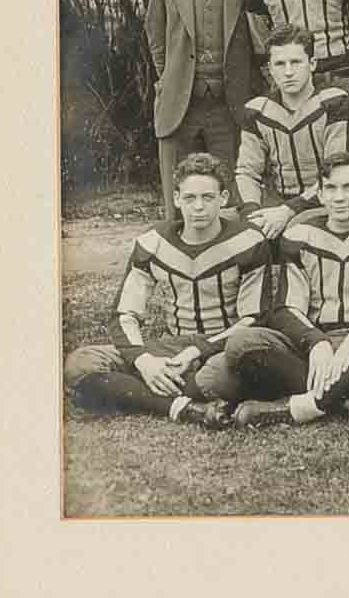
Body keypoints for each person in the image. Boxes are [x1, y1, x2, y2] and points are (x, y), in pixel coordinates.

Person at [62, 153, 271, 428]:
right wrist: (144, 361)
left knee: (218, 378)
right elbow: (124, 314)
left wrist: (197, 351)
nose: (198, 207)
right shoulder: (153, 243)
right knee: (81, 363)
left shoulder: (249, 241)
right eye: (189, 198)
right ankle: (180, 403)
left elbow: (254, 319)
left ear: (223, 199)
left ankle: (146, 395)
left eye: (208, 198)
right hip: (172, 344)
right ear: (176, 199)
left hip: (221, 347)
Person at [225, 154, 349, 428]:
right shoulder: (299, 236)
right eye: (330, 188)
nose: (339, 197)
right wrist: (315, 341)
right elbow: (286, 308)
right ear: (319, 193)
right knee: (242, 343)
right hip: (320, 344)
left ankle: (307, 405)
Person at [144, 0, 258, 214]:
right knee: (180, 201)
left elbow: (258, 44)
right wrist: (171, 79)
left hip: (230, 107)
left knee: (231, 199)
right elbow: (156, 39)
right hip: (180, 107)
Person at [235, 24, 349, 239]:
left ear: (312, 63)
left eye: (296, 62)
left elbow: (337, 173)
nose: (288, 72)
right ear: (270, 68)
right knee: (227, 228)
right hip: (278, 201)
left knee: (297, 229)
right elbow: (247, 171)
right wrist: (251, 213)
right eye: (280, 64)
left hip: (327, 202)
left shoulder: (335, 103)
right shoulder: (258, 111)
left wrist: (288, 210)